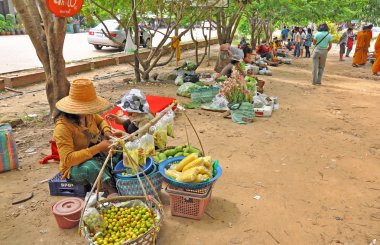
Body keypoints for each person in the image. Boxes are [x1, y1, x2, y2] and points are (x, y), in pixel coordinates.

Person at [53, 79, 117, 197]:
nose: (89, 110)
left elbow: (101, 121)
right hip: (75, 168)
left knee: (118, 154)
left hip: (95, 154)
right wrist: (98, 148)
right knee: (91, 167)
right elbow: (68, 159)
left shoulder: (88, 114)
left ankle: (117, 180)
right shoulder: (62, 128)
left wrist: (106, 131)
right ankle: (110, 192)